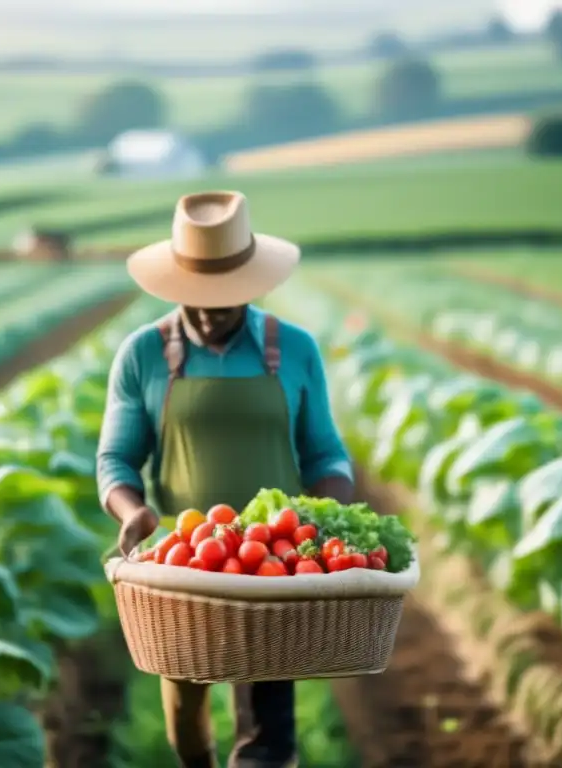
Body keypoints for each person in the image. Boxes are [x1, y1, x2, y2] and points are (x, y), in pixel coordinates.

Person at [96, 190, 355, 768]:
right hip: (181, 560)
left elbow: (327, 454)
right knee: (185, 713)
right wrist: (131, 510)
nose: (211, 310)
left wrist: (326, 517)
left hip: (273, 561)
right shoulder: (142, 355)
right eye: (198, 296)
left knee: (268, 721)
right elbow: (115, 458)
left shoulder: (293, 349)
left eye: (227, 297)